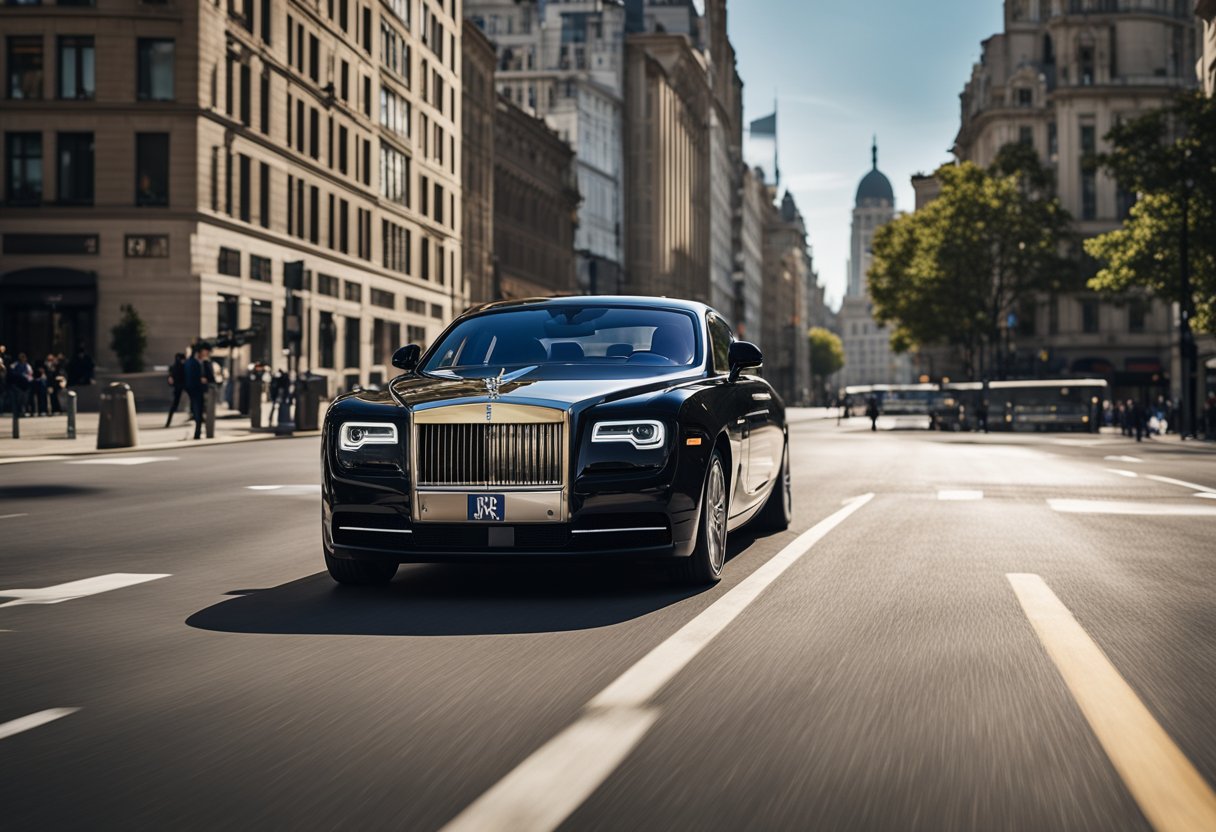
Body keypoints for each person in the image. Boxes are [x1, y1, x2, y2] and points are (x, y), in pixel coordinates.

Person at [184, 344, 216, 440]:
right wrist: (199, 380)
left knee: (203, 411)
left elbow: (211, 378)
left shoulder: (206, 363)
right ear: (200, 351)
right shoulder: (191, 362)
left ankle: (202, 431)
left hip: (206, 391)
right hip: (195, 391)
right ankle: (197, 433)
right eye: (206, 351)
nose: (207, 353)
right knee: (198, 411)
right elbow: (189, 378)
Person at [7, 352, 33, 420]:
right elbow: (11, 373)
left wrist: (28, 378)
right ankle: (18, 411)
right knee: (19, 399)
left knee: (25, 399)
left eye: (24, 358)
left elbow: (30, 374)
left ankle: (23, 411)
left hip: (25, 385)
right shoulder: (15, 365)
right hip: (17, 385)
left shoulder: (27, 365)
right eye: (22, 358)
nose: (23, 359)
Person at [165, 353, 187, 427]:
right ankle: (168, 422)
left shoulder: (174, 367)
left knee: (174, 405)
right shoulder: (182, 366)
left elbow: (170, 379)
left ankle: (168, 422)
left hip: (179, 387)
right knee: (175, 405)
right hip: (182, 386)